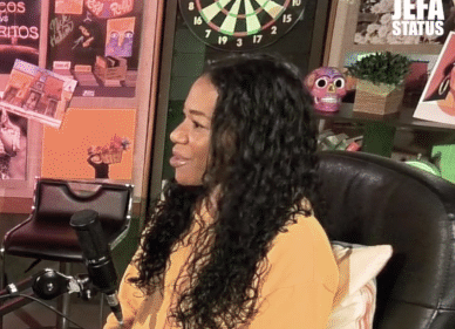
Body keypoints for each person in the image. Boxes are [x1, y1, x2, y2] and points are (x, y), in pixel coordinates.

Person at [106, 56, 338, 329]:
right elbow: (128, 308)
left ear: (250, 140)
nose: (176, 135)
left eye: (198, 125)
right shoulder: (181, 208)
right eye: (185, 118)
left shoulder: (296, 249)